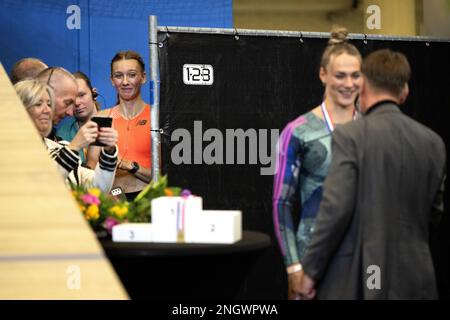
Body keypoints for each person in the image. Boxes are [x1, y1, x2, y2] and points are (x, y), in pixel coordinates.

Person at [296, 49, 446, 300]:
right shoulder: (434, 143)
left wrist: (310, 271)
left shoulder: (352, 136)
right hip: (417, 279)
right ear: (404, 91)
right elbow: (435, 212)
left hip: (367, 278)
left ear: (363, 86)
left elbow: (336, 208)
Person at [272, 27, 362, 300]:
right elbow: (281, 203)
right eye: (340, 75)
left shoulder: (373, 129)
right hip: (313, 260)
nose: (349, 84)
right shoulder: (298, 131)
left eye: (356, 75)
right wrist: (294, 267)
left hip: (364, 259)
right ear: (323, 75)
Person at [14, 79, 119, 193]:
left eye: (49, 104)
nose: (47, 110)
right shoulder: (11, 151)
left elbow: (99, 188)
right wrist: (74, 147)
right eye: (38, 104)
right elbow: (43, 187)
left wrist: (109, 151)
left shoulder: (60, 147)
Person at [87, 50, 152, 201]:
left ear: (143, 78)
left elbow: (166, 175)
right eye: (118, 76)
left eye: (131, 74)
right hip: (111, 202)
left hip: (148, 201)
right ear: (111, 80)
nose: (125, 82)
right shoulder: (102, 119)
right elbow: (91, 168)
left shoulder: (156, 117)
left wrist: (131, 166)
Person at [57, 71, 100, 164]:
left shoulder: (114, 123)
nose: (77, 103)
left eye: (81, 95)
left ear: (94, 94)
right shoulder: (62, 132)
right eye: (71, 99)